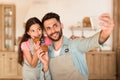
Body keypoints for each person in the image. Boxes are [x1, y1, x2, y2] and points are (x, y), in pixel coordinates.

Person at [39, 12, 114, 80]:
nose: (53, 30)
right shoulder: (47, 52)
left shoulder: (75, 44)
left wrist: (106, 32)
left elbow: (92, 41)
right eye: (48, 28)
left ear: (61, 26)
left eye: (55, 26)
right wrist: (45, 66)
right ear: (45, 32)